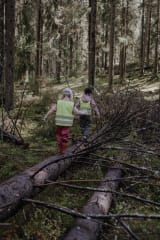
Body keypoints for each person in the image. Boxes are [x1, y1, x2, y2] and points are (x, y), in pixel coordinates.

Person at [44, 88, 82, 154]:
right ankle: (63, 150)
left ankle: (60, 149)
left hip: (59, 122)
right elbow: (76, 112)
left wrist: (46, 116)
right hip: (67, 123)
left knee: (59, 135)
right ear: (70, 95)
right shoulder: (71, 104)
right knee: (64, 136)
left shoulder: (58, 102)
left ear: (63, 94)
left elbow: (52, 110)